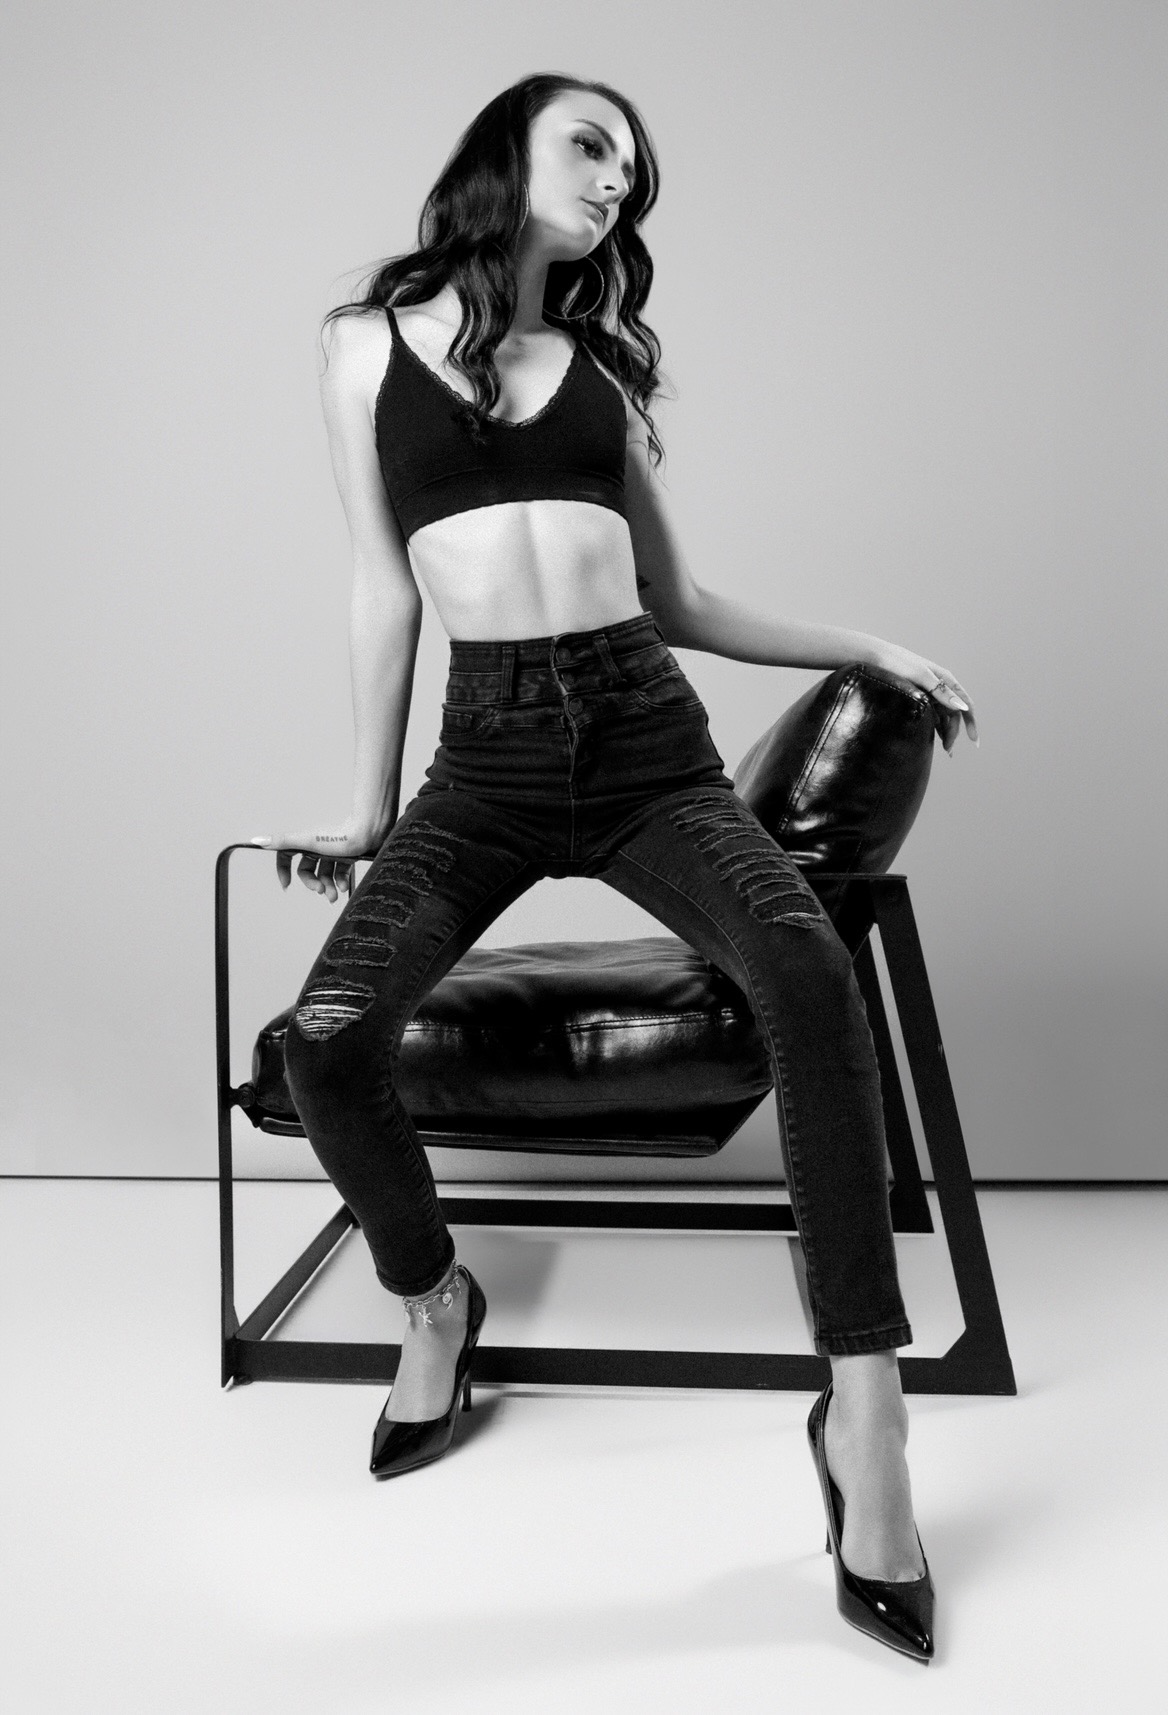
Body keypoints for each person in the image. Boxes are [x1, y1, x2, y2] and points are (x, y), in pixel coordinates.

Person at [254, 74, 977, 1662]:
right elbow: (383, 587)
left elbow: (683, 601)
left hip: (647, 749)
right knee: (326, 1037)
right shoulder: (360, 348)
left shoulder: (598, 368)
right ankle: (434, 1300)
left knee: (806, 973)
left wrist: (869, 644)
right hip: (486, 767)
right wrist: (367, 808)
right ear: (502, 151)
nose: (613, 184)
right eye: (589, 146)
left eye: (632, 174)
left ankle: (866, 1420)